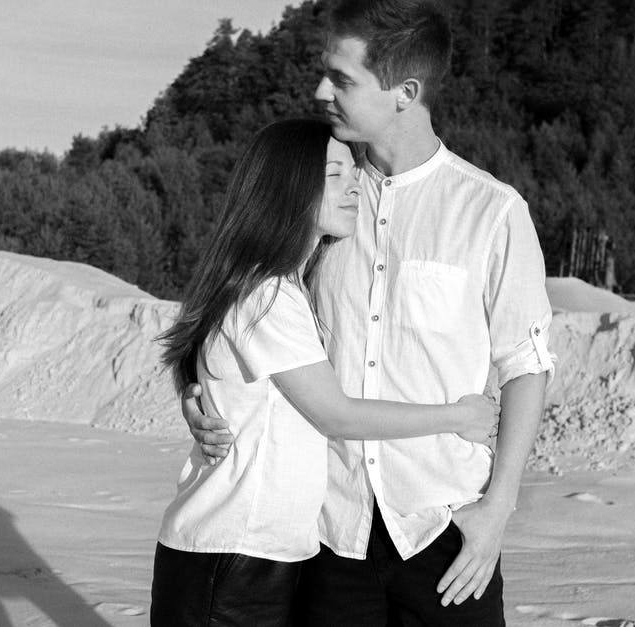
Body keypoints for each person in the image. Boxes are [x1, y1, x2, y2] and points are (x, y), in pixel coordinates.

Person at [183, 0, 554, 623]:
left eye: (343, 80)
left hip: (444, 530)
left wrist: (496, 513)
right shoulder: (321, 197)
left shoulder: (491, 211)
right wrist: (198, 393)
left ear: (405, 91)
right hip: (328, 531)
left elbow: (527, 364)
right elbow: (237, 302)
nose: (320, 90)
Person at [150, 118, 500, 626]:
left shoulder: (283, 288)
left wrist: (193, 398)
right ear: (289, 189)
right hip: (232, 557)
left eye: (352, 170)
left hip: (261, 554)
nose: (354, 183)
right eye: (334, 173)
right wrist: (457, 416)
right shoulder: (267, 294)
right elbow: (336, 414)